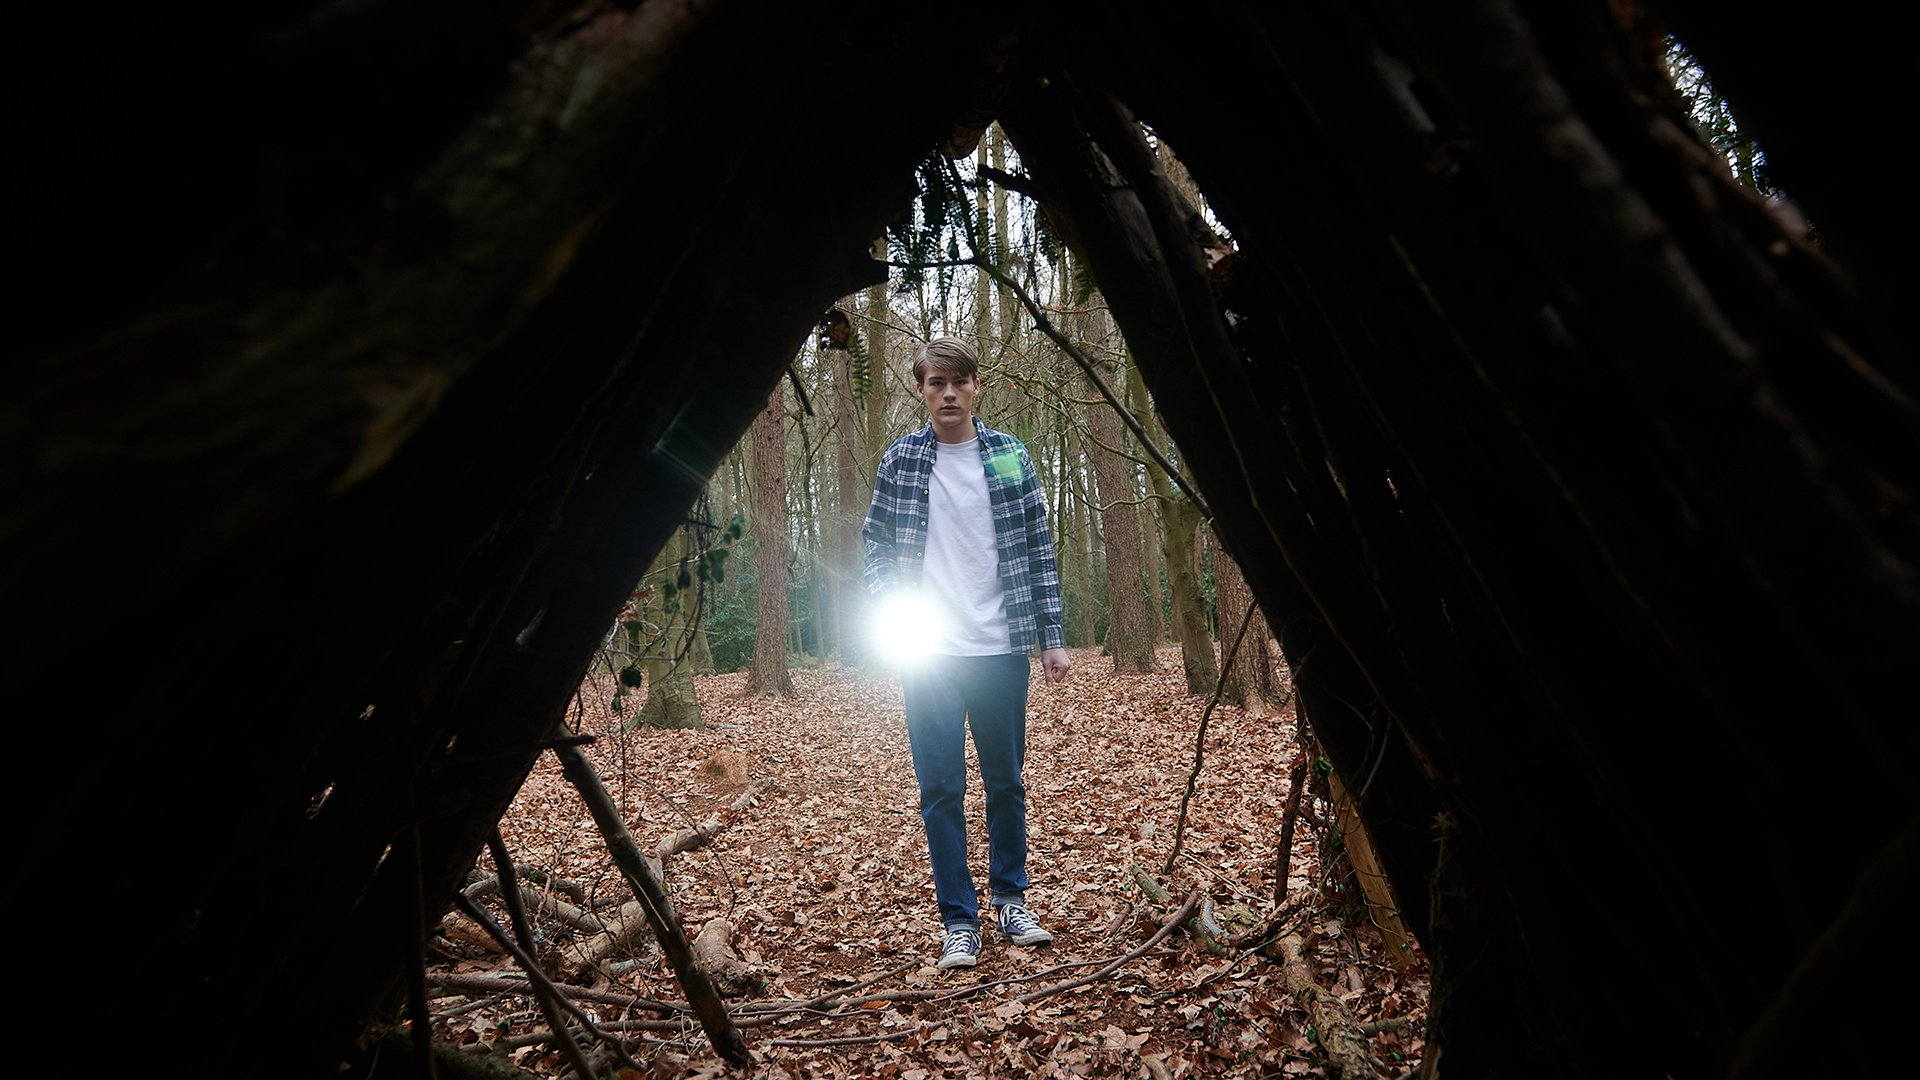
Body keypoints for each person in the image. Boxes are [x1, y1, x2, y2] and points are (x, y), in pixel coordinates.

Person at [862, 336, 1072, 971]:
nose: (948, 393)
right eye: (935, 384)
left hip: (1001, 644)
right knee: (940, 788)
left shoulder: (1009, 456)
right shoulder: (902, 459)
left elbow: (1037, 542)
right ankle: (959, 918)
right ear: (922, 392)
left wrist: (1052, 635)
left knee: (1006, 782)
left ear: (976, 387)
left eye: (958, 382)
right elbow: (874, 543)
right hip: (928, 654)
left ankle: (1012, 900)